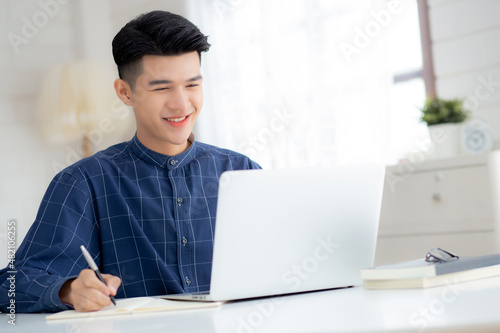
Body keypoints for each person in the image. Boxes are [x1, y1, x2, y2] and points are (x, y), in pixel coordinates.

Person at [0, 10, 260, 313]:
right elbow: (11, 287)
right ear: (125, 92)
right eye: (162, 87)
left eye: (192, 85)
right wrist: (68, 290)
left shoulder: (242, 172)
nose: (181, 103)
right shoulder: (85, 182)